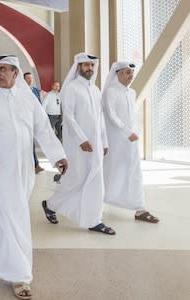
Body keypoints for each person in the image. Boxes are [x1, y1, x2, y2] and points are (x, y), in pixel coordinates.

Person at [0, 55, 68, 299]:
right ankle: (19, 275)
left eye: (3, 69)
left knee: (13, 212)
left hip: (23, 170)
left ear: (15, 73)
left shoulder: (27, 98)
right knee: (14, 217)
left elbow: (43, 129)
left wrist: (58, 156)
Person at [42, 52, 115, 235]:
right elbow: (68, 116)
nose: (89, 68)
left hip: (96, 144)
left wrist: (104, 141)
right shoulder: (72, 88)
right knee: (75, 179)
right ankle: (50, 205)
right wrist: (82, 139)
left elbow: (100, 119)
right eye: (85, 65)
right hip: (77, 145)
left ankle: (94, 219)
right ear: (79, 67)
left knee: (96, 180)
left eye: (92, 65)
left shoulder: (96, 90)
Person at [102, 61, 159, 223]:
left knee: (135, 172)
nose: (130, 76)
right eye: (127, 72)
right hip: (115, 141)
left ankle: (140, 209)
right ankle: (96, 201)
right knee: (109, 172)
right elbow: (111, 116)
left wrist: (135, 131)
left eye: (131, 73)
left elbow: (130, 116)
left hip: (130, 141)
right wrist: (127, 132)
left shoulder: (131, 92)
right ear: (118, 73)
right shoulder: (110, 92)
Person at [23, 71, 45, 174]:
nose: (30, 80)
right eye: (27, 78)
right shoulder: (20, 91)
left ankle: (33, 164)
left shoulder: (36, 91)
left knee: (30, 143)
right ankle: (35, 165)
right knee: (28, 144)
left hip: (33, 120)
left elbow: (39, 106)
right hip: (24, 121)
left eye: (31, 78)